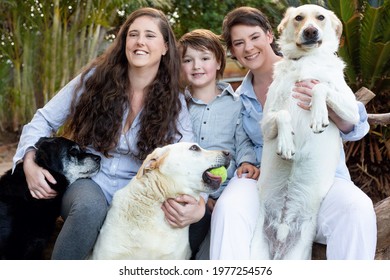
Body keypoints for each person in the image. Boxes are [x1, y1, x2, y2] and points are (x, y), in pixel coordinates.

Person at [12, 7, 197, 260]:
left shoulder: (174, 102)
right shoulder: (95, 79)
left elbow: (187, 156)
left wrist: (197, 206)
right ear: (124, 43)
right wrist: (28, 159)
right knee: (89, 207)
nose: (140, 41)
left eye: (150, 35)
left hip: (137, 192)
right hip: (90, 182)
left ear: (165, 47)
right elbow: (44, 118)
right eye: (133, 34)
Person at [210, 6, 377, 259]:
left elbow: (357, 126)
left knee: (358, 208)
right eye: (239, 43)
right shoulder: (237, 98)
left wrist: (327, 107)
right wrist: (245, 160)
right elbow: (241, 138)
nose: (248, 47)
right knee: (229, 208)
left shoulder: (321, 67)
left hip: (322, 178)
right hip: (266, 181)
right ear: (232, 51)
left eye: (254, 37)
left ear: (270, 35)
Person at [175, 29, 259, 258]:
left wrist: (246, 161)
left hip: (223, 194)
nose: (196, 66)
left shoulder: (235, 104)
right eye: (188, 60)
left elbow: (243, 139)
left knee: (211, 254)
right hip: (187, 194)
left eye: (204, 58)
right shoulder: (178, 106)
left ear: (219, 61)